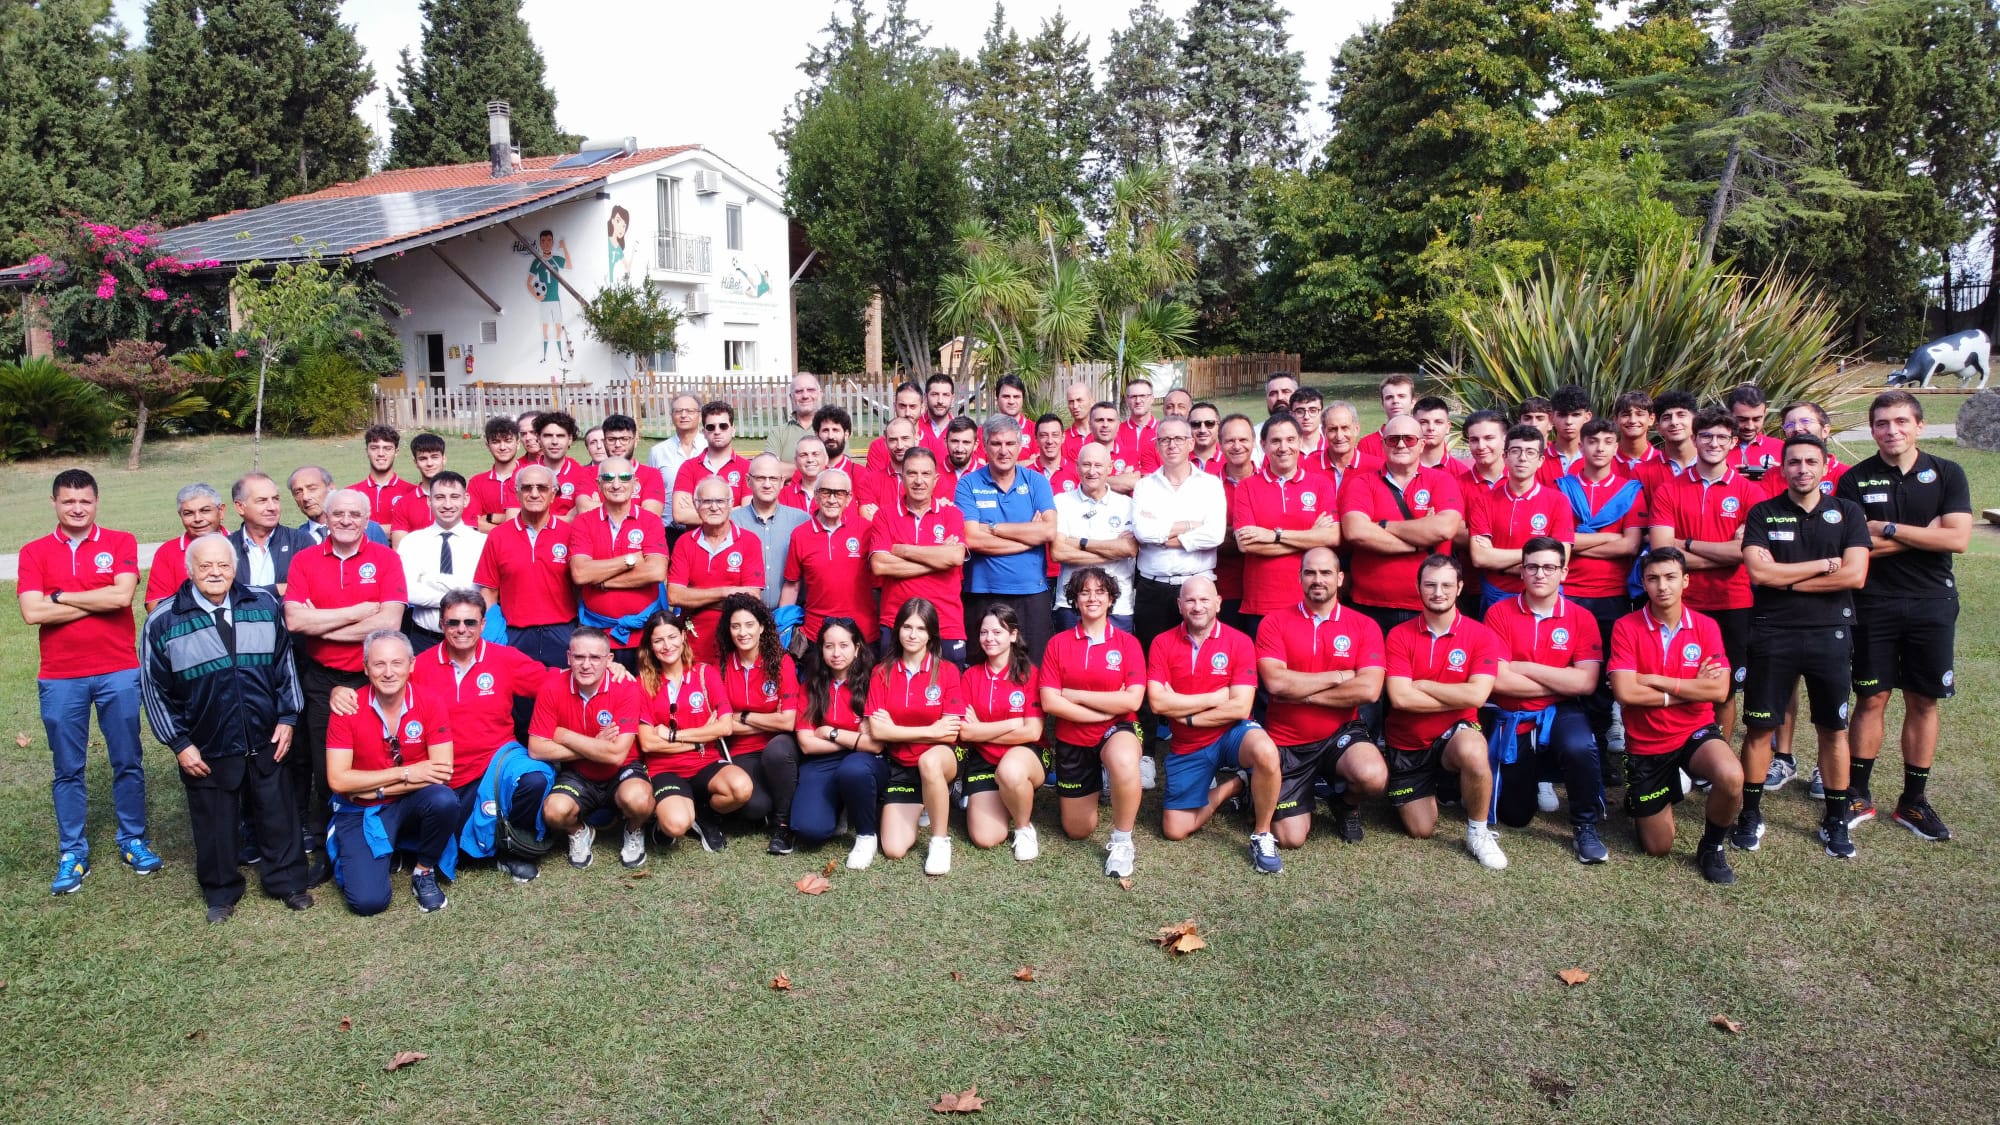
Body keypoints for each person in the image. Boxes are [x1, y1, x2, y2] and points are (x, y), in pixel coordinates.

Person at [140, 535, 312, 921]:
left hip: (266, 733)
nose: (216, 572)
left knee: (277, 812)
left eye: (223, 565)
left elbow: (285, 665)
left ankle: (287, 881)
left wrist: (287, 718)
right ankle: (221, 891)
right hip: (207, 740)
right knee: (213, 820)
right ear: (190, 571)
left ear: (235, 567)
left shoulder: (263, 604)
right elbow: (154, 689)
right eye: (205, 566)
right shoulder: (163, 620)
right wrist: (180, 743)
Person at [1836, 389, 1970, 840]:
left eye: (1900, 422)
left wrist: (1888, 528)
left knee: (1923, 699)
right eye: (1881, 423)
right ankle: (1857, 791)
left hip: (1932, 603)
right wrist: (1925, 533)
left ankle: (1913, 802)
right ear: (1872, 429)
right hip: (1873, 604)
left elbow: (1957, 539)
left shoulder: (1947, 473)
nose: (1891, 431)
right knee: (1872, 698)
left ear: (1919, 425)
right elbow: (1855, 546)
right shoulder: (1854, 480)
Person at [20, 469, 156, 894]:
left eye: (84, 501)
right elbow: (32, 613)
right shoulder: (34, 552)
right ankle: (72, 852)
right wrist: (98, 600)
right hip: (61, 677)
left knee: (127, 759)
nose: (77, 508)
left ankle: (132, 839)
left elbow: (121, 597)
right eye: (68, 501)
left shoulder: (120, 541)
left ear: (96, 502)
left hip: (117, 670)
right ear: (55, 503)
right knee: (67, 768)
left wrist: (58, 596)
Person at [1736, 434, 1870, 858]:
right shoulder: (1763, 512)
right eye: (1794, 462)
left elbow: (1854, 576)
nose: (1802, 469)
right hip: (1773, 631)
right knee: (1760, 728)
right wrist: (1820, 568)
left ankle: (1835, 819)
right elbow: (1759, 574)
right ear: (1782, 467)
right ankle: (1750, 813)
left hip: (1830, 633)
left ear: (1826, 465)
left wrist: (1787, 578)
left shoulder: (1847, 512)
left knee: (1833, 729)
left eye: (1811, 461)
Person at [284, 488, 407, 884]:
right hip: (322, 680)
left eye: (355, 514)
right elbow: (295, 623)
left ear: (367, 517)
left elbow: (387, 624)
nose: (347, 520)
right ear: (326, 517)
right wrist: (356, 613)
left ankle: (387, 838)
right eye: (338, 513)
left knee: (379, 759)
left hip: (375, 677)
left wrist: (322, 621)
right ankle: (327, 843)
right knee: (327, 766)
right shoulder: (305, 561)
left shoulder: (386, 558)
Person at [391, 591, 555, 884]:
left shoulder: (503, 658)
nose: (461, 629)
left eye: (470, 622)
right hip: (443, 771)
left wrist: (610, 669)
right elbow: (382, 692)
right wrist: (342, 693)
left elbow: (554, 683)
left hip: (496, 762)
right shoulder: (420, 666)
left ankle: (513, 848)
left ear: (482, 624)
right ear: (441, 624)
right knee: (448, 835)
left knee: (535, 779)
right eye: (453, 622)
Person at [1607, 548, 1744, 884]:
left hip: (1694, 731)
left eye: (1670, 577)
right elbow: (1626, 693)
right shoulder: (1626, 627)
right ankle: (1657, 794)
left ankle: (1712, 847)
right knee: (1658, 847)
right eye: (1653, 578)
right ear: (1643, 582)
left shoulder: (1706, 626)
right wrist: (1685, 690)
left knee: (1730, 775)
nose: (1662, 586)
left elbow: (1717, 691)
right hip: (1646, 744)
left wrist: (1657, 681)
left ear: (1685, 580)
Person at [1146, 577, 1285, 873]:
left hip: (1232, 733)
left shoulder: (1239, 641)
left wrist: (1186, 713)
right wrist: (1214, 697)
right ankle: (1236, 785)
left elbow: (1240, 706)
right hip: (1187, 744)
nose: (1198, 607)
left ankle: (1262, 834)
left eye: (1205, 600)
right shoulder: (1162, 642)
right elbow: (1157, 704)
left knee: (1266, 752)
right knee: (1175, 829)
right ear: (1180, 606)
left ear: (1219, 603)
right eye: (1191, 601)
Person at [1483, 538, 1608, 862]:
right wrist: (1561, 680)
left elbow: (1586, 682)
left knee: (1580, 745)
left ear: (1564, 572)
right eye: (1533, 567)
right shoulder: (1498, 613)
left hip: (1562, 710)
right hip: (1515, 714)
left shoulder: (1582, 617)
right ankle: (1537, 778)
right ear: (1521, 572)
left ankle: (1585, 826)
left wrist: (1526, 667)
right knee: (1515, 816)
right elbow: (1499, 679)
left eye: (1549, 567)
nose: (1541, 574)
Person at [1255, 548, 1389, 846]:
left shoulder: (1364, 625)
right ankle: (1261, 784)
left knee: (1373, 776)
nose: (1318, 580)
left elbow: (1369, 690)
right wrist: (1338, 676)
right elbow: (1276, 683)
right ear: (1300, 578)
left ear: (1340, 578)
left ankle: (1345, 802)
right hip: (1288, 740)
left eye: (1326, 572)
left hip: (1341, 734)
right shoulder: (1273, 622)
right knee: (1291, 838)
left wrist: (1302, 694)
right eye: (1310, 573)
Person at [1382, 556, 1508, 869]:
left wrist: (1423, 684)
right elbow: (1400, 698)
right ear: (1418, 588)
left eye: (1446, 585)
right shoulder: (1399, 634)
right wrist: (1455, 695)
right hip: (1408, 743)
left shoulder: (1481, 636)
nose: (1438, 592)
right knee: (1420, 829)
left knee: (1473, 750)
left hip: (1456, 733)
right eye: (1430, 584)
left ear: (1460, 587)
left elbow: (1478, 695)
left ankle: (1478, 832)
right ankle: (1442, 787)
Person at [322, 630, 457, 914]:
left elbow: (442, 773)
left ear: (411, 665)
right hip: (360, 809)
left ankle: (423, 870)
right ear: (365, 667)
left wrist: (373, 788)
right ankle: (348, 841)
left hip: (404, 802)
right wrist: (407, 773)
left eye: (397, 663)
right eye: (379, 664)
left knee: (444, 799)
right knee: (368, 903)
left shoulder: (430, 702)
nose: (388, 672)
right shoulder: (347, 707)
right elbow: (338, 780)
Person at [1648, 408, 1762, 740]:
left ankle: (1718, 751)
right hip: (1681, 603)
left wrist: (1688, 544)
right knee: (1675, 678)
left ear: (1733, 442)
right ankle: (1676, 751)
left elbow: (1749, 554)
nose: (1714, 443)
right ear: (1695, 439)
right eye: (1707, 436)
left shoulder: (1749, 492)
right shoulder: (1670, 489)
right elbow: (1661, 553)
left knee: (1722, 686)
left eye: (1722, 437)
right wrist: (1728, 552)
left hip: (1733, 602)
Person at [1038, 567, 1148, 878]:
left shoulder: (1128, 644)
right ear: (1074, 599)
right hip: (1074, 737)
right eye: (1085, 592)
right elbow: (1050, 702)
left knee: (1125, 759)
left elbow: (1132, 701)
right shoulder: (1058, 643)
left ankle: (1123, 840)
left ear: (1111, 598)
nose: (1092, 598)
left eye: (1100, 591)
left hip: (1118, 729)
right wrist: (1099, 711)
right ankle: (1100, 778)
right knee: (1077, 830)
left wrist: (1073, 694)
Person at [1556, 418, 1647, 778]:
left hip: (1611, 596)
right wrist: (1607, 539)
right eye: (1592, 441)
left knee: (1601, 675)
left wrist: (1578, 542)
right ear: (1582, 446)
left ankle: (1596, 750)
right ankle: (1560, 749)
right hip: (1568, 593)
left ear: (1615, 447)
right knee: (1564, 673)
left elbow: (1630, 544)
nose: (1599, 448)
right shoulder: (1562, 487)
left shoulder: (1631, 490)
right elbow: (1560, 543)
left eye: (1608, 442)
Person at [532, 627, 651, 870]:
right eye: (579, 657)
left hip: (623, 770)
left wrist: (563, 735)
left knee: (639, 800)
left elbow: (617, 755)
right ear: (568, 658)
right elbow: (536, 749)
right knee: (554, 812)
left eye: (595, 658)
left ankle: (634, 830)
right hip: (578, 774)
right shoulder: (552, 687)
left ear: (609, 660)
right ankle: (580, 831)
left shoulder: (626, 687)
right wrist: (595, 743)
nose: (586, 665)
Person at [1339, 414, 1466, 639]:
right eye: (1392, 439)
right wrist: (1420, 538)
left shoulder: (1442, 481)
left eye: (1408, 439)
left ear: (1421, 444)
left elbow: (1445, 529)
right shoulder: (1361, 483)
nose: (1400, 444)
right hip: (1369, 606)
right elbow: (1356, 531)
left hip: (1427, 605)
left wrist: (1384, 525)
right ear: (1382, 444)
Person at [867, 598, 965, 875]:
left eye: (921, 629)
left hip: (941, 758)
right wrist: (928, 730)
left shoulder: (947, 670)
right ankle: (926, 798)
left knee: (929, 763)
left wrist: (897, 731)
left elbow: (949, 731)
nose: (913, 635)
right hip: (900, 765)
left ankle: (939, 841)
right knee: (894, 849)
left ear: (931, 634)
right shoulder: (881, 672)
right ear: (897, 630)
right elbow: (878, 731)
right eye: (907, 627)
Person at [635, 609, 741, 853]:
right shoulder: (642, 683)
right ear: (650, 645)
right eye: (658, 640)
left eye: (672, 637)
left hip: (707, 762)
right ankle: (669, 819)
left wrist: (674, 735)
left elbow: (725, 726)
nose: (667, 645)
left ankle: (703, 814)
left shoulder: (705, 673)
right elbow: (649, 743)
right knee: (676, 825)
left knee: (741, 788)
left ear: (683, 636)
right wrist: (703, 735)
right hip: (665, 768)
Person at [1232, 412, 1341, 638]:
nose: (1284, 447)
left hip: (1311, 600)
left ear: (1300, 442)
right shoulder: (1247, 487)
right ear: (1263, 445)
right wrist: (1310, 536)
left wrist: (1274, 535)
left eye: (1290, 440)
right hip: (1262, 603)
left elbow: (1332, 537)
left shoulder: (1320, 484)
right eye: (1276, 441)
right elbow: (1247, 546)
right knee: (1267, 672)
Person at [958, 415, 1058, 657]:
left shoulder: (1036, 482)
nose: (1004, 451)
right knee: (983, 667)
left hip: (1031, 592)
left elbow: (1048, 531)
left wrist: (992, 528)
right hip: (982, 592)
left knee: (1032, 666)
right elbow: (972, 539)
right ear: (984, 447)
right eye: (996, 444)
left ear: (1020, 445)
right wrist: (1027, 538)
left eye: (1010, 444)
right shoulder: (968, 484)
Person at [792, 617, 886, 867]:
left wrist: (831, 732)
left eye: (844, 645)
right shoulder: (810, 686)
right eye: (828, 646)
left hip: (864, 762)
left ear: (857, 649)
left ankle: (866, 835)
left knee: (853, 769)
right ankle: (840, 806)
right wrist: (854, 739)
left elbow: (875, 745)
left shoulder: (874, 682)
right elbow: (807, 744)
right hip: (821, 761)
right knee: (808, 829)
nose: (836, 653)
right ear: (820, 650)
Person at [712, 594, 801, 852]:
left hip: (777, 746)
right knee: (755, 806)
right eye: (735, 626)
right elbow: (724, 725)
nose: (743, 632)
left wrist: (744, 716)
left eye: (749, 625)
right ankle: (770, 808)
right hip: (741, 750)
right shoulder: (721, 668)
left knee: (777, 751)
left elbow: (788, 722)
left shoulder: (781, 662)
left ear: (762, 626)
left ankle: (782, 827)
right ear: (728, 630)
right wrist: (768, 719)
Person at [1131, 416, 1228, 653]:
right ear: (1157, 446)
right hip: (1153, 588)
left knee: (1199, 654)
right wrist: (1190, 525)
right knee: (1152, 654)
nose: (1171, 445)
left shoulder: (1210, 485)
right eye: (1164, 439)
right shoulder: (1145, 487)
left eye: (1178, 438)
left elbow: (1215, 535)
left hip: (1197, 585)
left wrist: (1165, 538)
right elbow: (1143, 532)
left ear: (1190, 443)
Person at [959, 604, 1045, 860]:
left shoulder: (1029, 673)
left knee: (1009, 770)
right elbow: (966, 733)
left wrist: (981, 730)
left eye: (997, 632)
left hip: (1026, 755)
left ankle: (1023, 828)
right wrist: (1011, 724)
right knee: (986, 838)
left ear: (1013, 635)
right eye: (984, 633)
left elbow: (1032, 731)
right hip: (984, 760)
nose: (989, 638)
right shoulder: (971, 676)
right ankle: (1009, 798)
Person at [868, 448, 967, 665]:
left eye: (926, 474)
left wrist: (902, 550)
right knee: (893, 694)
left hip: (946, 622)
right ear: (902, 477)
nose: (919, 481)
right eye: (912, 473)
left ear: (936, 478)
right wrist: (938, 560)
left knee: (946, 695)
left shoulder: (952, 514)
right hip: (896, 622)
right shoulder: (884, 515)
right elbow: (880, 566)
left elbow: (956, 558)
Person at [472, 464, 577, 668]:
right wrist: (493, 635)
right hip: (515, 635)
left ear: (553, 494)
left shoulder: (570, 534)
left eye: (542, 488)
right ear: (518, 494)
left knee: (562, 695)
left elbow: (580, 587)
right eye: (527, 488)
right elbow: (489, 593)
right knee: (518, 698)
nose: (534, 493)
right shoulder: (498, 536)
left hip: (562, 632)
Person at [570, 456, 670, 667]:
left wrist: (604, 581)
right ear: (598, 485)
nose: (616, 485)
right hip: (598, 636)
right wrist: (631, 559)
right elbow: (580, 574)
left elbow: (656, 572)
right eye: (608, 478)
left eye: (624, 478)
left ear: (635, 484)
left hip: (645, 637)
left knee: (646, 697)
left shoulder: (650, 521)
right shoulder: (583, 522)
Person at [1467, 424, 1577, 611]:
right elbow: (1480, 557)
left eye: (1530, 452)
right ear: (1505, 457)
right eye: (1516, 451)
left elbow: (1560, 559)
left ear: (1541, 460)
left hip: (1545, 596)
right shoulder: (1483, 500)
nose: (1523, 458)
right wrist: (1537, 557)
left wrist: (1500, 563)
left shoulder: (1558, 501)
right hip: (1497, 593)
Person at [667, 477, 765, 665]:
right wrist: (726, 592)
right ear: (696, 506)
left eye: (720, 501)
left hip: (735, 642)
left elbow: (751, 599)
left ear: (730, 505)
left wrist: (694, 601)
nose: (714, 507)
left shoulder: (749, 541)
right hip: (693, 644)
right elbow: (674, 596)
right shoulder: (684, 543)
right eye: (706, 501)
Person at [782, 467, 878, 645]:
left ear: (849, 499)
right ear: (816, 496)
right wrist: (781, 628)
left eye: (839, 493)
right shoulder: (800, 534)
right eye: (825, 492)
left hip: (861, 633)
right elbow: (792, 585)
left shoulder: (865, 529)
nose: (832, 500)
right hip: (816, 634)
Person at [1054, 443, 1139, 633]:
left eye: (1098, 465)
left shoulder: (1128, 505)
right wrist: (1113, 551)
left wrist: (1080, 542)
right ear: (1077, 467)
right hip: (1071, 603)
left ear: (1110, 468)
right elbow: (1058, 552)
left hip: (1118, 605)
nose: (1092, 471)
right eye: (1086, 465)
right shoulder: (1061, 501)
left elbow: (1130, 549)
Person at [396, 471, 484, 654]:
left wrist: (429, 580)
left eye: (454, 497)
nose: (447, 504)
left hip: (469, 638)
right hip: (424, 639)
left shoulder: (482, 543)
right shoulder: (411, 542)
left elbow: (480, 593)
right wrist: (459, 596)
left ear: (465, 499)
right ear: (429, 501)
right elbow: (409, 592)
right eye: (439, 497)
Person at [734, 453, 809, 614]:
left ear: (782, 482)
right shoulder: (732, 522)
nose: (767, 484)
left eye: (773, 479)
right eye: (760, 478)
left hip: (791, 615)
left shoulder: (802, 521)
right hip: (745, 617)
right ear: (748, 481)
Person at [146, 482, 227, 612]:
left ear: (221, 511)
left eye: (205, 511)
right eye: (189, 513)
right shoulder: (167, 552)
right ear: (180, 516)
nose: (198, 519)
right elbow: (155, 606)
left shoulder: (239, 543)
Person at [1213, 414, 1260, 628]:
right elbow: (1202, 537)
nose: (1237, 446)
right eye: (1230, 441)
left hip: (1262, 588)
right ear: (1220, 444)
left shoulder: (1269, 481)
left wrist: (1223, 532)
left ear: (1254, 442)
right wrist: (1257, 534)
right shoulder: (1206, 485)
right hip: (1223, 588)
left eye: (1243, 440)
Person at [673, 401, 753, 524]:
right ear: (704, 432)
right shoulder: (688, 467)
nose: (717, 431)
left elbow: (748, 514)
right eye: (711, 427)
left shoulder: (747, 467)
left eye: (723, 426)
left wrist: (699, 510)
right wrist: (732, 511)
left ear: (733, 430)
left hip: (735, 540)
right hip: (697, 540)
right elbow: (680, 515)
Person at [230, 472, 310, 595]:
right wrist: (277, 589)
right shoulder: (226, 548)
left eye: (275, 499)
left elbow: (311, 588)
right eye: (262, 501)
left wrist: (248, 593)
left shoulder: (300, 542)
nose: (272, 507)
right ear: (240, 507)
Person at [291, 465, 388, 546]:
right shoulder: (295, 540)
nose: (305, 497)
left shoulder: (369, 529)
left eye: (312, 488)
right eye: (298, 492)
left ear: (331, 488)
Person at [351, 425, 423, 526]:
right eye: (374, 448)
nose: (381, 453)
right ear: (367, 451)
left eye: (387, 448)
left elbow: (416, 530)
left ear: (396, 452)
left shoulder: (413, 492)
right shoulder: (351, 493)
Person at [599, 414, 669, 518]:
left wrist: (603, 508)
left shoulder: (651, 475)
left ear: (635, 441)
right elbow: (586, 511)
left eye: (624, 439)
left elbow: (650, 516)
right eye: (611, 439)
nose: (618, 444)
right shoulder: (590, 473)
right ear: (604, 442)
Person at [534, 411, 599, 519]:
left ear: (570, 439)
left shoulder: (583, 474)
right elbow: (520, 519)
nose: (554, 441)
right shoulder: (524, 474)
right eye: (548, 436)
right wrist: (568, 518)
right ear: (538, 438)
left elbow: (588, 516)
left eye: (560, 436)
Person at [387, 432, 450, 544]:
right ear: (415, 462)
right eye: (423, 459)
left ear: (444, 459)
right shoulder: (403, 504)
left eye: (434, 457)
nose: (429, 463)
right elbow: (399, 548)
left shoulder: (458, 498)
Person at [469, 416, 525, 531]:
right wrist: (503, 534)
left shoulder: (530, 476)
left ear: (518, 443)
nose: (502, 447)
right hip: (488, 545)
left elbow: (533, 519)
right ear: (488, 445)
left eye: (508, 441)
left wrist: (489, 517)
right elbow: (471, 521)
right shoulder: (476, 482)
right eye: (496, 442)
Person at [646, 393, 705, 493]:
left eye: (689, 411)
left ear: (700, 416)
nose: (683, 415)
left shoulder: (710, 447)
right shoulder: (658, 451)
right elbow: (653, 491)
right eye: (678, 411)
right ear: (672, 416)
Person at [1726, 383, 1783, 484]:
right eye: (1742, 419)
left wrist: (1786, 475)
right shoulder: (1715, 448)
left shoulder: (1782, 448)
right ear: (1729, 414)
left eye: (1757, 419)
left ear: (1765, 414)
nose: (1750, 426)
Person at [767, 371, 823, 469]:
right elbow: (769, 468)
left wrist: (785, 468)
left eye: (810, 390)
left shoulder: (832, 430)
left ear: (820, 394)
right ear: (791, 397)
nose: (805, 396)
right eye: (798, 391)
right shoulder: (778, 433)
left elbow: (841, 468)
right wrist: (814, 468)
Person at [864, 381, 926, 470]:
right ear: (895, 407)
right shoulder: (878, 446)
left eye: (912, 406)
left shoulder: (935, 445)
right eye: (902, 406)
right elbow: (874, 482)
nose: (907, 413)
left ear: (922, 408)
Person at [1314, 400, 1376, 484]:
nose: (1339, 436)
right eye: (1333, 429)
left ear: (1356, 429)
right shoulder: (1307, 468)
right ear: (1323, 432)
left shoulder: (1376, 468)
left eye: (1345, 428)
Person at [1356, 373, 1416, 460]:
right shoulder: (1367, 444)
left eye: (1401, 396)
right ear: (1383, 404)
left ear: (1413, 402)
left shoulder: (1424, 440)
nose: (1395, 401)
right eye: (1389, 397)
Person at [1547, 384, 1593, 478]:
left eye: (1576, 415)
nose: (1569, 422)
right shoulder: (1537, 460)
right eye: (1562, 415)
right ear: (1551, 418)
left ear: (1587, 417)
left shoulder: (1599, 458)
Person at [1612, 390, 1660, 476]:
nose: (1632, 421)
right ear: (1616, 420)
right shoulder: (1603, 460)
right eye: (1626, 415)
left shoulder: (1662, 461)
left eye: (1639, 414)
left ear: (1651, 419)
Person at [1029, 413, 1077, 494]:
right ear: (1036, 439)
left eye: (1055, 435)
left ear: (1063, 438)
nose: (1050, 441)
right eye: (1044, 435)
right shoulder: (1025, 474)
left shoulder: (1077, 472)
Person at [1119, 377, 1160, 468]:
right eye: (1133, 396)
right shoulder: (1117, 432)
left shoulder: (1163, 431)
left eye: (1142, 396)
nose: (1138, 401)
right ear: (1126, 400)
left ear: (1152, 399)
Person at [779, 437, 827, 512]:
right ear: (795, 461)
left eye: (815, 454)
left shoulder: (838, 494)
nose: (810, 460)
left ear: (826, 459)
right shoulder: (783, 495)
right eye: (803, 455)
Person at [939, 415, 981, 498]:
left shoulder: (987, 474)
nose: (959, 449)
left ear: (975, 445)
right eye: (954, 441)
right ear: (945, 442)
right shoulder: (932, 473)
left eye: (966, 442)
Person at [918, 372, 958, 460]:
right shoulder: (915, 427)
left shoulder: (962, 430)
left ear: (952, 399)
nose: (940, 401)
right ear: (925, 397)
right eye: (935, 394)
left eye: (945, 395)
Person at [1061, 380, 1094, 460]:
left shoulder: (1104, 434)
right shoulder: (1063, 439)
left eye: (1079, 400)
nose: (1075, 406)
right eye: (1071, 402)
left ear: (1092, 402)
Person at [1189, 402, 1224, 474]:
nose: (1202, 430)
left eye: (1209, 423)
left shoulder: (1230, 461)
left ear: (1219, 427)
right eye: (1196, 424)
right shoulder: (1179, 461)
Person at [1290, 387, 1325, 456]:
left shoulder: (1332, 448)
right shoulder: (1282, 450)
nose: (1306, 417)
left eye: (1313, 411)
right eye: (1300, 412)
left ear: (1321, 414)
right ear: (1291, 415)